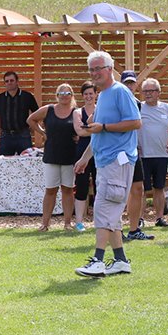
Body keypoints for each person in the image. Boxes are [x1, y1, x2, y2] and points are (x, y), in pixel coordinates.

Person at [74, 51, 141, 277]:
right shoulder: (102, 96)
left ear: (110, 69)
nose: (94, 73)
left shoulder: (120, 91)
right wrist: (85, 158)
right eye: (91, 70)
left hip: (117, 161)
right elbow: (98, 133)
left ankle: (98, 261)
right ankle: (121, 261)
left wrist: (103, 127)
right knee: (111, 213)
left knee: (103, 210)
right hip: (105, 161)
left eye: (98, 69)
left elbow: (136, 122)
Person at [27, 83, 77, 231]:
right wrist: (42, 133)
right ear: (57, 95)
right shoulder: (48, 110)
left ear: (72, 96)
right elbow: (30, 119)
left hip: (69, 156)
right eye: (61, 93)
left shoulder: (76, 112)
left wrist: (79, 136)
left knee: (67, 190)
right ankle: (45, 224)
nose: (64, 96)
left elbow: (83, 128)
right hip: (51, 156)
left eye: (67, 93)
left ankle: (67, 223)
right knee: (50, 190)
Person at [138, 77, 168, 228]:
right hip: (143, 156)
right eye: (145, 91)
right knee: (142, 189)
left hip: (161, 155)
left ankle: (159, 218)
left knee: (159, 188)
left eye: (151, 91)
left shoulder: (166, 108)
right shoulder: (138, 107)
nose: (148, 94)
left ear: (158, 92)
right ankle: (139, 219)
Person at [119, 71, 153, 241]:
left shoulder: (138, 104)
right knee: (118, 190)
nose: (129, 86)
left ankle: (134, 229)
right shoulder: (115, 101)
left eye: (132, 83)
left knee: (138, 188)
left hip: (132, 151)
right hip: (118, 152)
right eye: (126, 83)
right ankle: (116, 230)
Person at [0, 70, 39, 155]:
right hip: (6, 136)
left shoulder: (27, 96)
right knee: (4, 161)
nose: (9, 83)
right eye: (7, 81)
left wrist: (32, 127)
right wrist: (0, 129)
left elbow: (37, 113)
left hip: (23, 135)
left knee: (26, 161)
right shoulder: (0, 98)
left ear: (17, 81)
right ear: (4, 83)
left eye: (11, 80)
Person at [72, 81, 97, 232]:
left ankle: (99, 221)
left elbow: (86, 130)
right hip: (82, 151)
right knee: (81, 186)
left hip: (99, 151)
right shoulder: (77, 112)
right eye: (86, 94)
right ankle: (79, 222)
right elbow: (79, 132)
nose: (88, 96)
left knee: (100, 185)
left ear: (96, 94)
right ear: (82, 96)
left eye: (91, 93)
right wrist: (97, 129)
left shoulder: (100, 109)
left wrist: (88, 128)